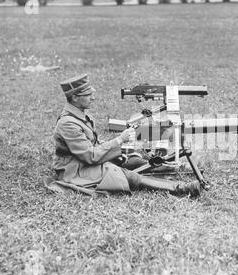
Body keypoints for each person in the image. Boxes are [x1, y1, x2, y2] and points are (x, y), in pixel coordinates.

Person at [51, 74, 201, 197]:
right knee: (127, 175)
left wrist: (116, 153)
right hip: (76, 169)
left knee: (134, 160)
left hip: (86, 160)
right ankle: (181, 188)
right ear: (75, 97)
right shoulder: (68, 124)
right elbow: (90, 156)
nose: (93, 98)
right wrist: (119, 140)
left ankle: (175, 168)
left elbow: (93, 145)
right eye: (88, 95)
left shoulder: (80, 115)